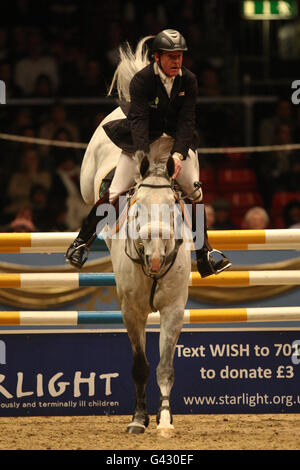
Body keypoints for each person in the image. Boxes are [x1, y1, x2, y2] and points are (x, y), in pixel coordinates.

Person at [65, 29, 231, 277]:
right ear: (157, 57)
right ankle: (81, 243)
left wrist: (177, 155)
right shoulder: (142, 81)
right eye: (171, 57)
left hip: (174, 143)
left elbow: (187, 123)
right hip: (140, 141)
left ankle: (204, 253)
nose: (176, 62)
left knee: (195, 192)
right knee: (115, 193)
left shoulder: (189, 80)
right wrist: (142, 157)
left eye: (180, 56)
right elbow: (139, 122)